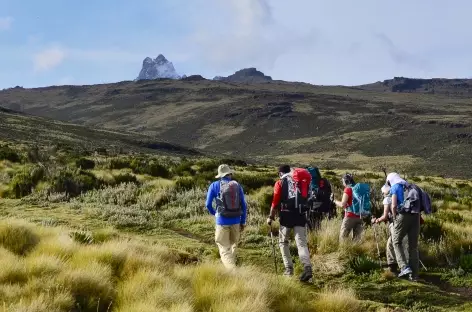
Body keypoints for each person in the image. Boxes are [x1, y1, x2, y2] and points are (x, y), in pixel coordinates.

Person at [266, 165, 313, 282]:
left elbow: (275, 202)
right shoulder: (300, 181)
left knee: (283, 242)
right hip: (301, 215)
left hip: (286, 216)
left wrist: (271, 217)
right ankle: (307, 268)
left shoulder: (280, 183)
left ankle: (288, 269)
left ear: (280, 173)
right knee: (301, 243)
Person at [205, 164, 247, 270]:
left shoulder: (214, 185)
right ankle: (231, 272)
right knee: (233, 246)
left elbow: (208, 204)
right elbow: (244, 204)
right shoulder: (237, 186)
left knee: (224, 249)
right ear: (229, 174)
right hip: (236, 221)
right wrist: (243, 221)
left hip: (222, 221)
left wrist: (214, 213)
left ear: (220, 175)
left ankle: (233, 272)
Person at [386, 172, 420, 280]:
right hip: (416, 215)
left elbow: (394, 205)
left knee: (396, 241)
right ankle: (414, 274)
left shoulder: (395, 186)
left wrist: (395, 216)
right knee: (413, 246)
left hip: (403, 215)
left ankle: (404, 267)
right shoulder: (408, 185)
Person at [371, 183, 409, 274]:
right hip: (406, 222)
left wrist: (376, 220)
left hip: (396, 224)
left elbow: (384, 216)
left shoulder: (387, 199)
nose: (382, 194)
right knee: (399, 243)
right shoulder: (402, 197)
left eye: (382, 192)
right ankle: (397, 265)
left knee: (394, 243)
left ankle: (397, 267)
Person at [334, 173, 363, 242]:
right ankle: (357, 251)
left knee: (343, 238)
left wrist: (334, 201)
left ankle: (344, 252)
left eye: (343, 181)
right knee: (357, 239)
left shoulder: (348, 189)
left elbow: (343, 204)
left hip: (350, 216)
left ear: (346, 181)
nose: (342, 183)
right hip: (360, 216)